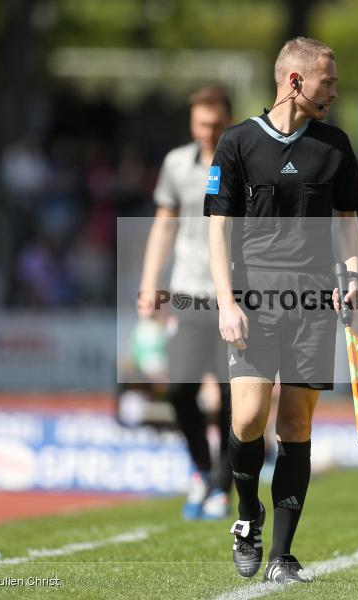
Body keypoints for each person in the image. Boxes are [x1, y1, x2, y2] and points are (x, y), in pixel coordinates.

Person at [204, 37, 358, 585]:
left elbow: (348, 224)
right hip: (252, 302)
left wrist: (352, 275)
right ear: (296, 82)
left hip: (314, 304)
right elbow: (217, 231)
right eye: (327, 82)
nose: (334, 92)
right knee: (248, 419)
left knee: (296, 423)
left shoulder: (336, 145)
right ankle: (248, 515)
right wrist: (226, 302)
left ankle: (282, 554)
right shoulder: (237, 142)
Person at [137, 86, 234, 520]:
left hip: (235, 298)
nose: (207, 132)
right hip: (188, 293)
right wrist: (149, 284)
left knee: (233, 399)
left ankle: (223, 487)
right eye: (200, 124)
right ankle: (201, 469)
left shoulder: (246, 161)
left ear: (229, 121)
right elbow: (164, 226)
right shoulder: (176, 163)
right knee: (178, 388)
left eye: (215, 124)